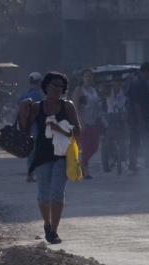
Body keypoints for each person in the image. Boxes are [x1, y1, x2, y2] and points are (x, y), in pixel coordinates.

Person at [17, 72, 80, 244]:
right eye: (54, 85)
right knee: (43, 196)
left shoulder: (68, 106)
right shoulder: (37, 107)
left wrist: (58, 129)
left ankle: (53, 231)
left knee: (57, 193)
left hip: (62, 155)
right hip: (42, 155)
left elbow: (78, 131)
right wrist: (22, 109)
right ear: (46, 87)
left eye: (60, 86)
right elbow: (24, 129)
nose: (57, 89)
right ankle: (47, 223)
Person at [125, 62, 149, 172]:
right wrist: (141, 118)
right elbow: (137, 103)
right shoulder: (139, 83)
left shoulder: (138, 82)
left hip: (136, 118)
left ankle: (133, 164)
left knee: (135, 140)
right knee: (148, 140)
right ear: (146, 71)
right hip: (140, 118)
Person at [71, 69, 104, 177]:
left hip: (93, 121)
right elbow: (74, 106)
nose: (89, 78)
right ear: (82, 78)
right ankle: (85, 170)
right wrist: (79, 121)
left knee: (94, 146)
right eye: (86, 77)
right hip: (83, 122)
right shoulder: (79, 90)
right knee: (85, 146)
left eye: (90, 76)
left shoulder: (94, 90)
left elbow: (97, 102)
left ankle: (82, 163)